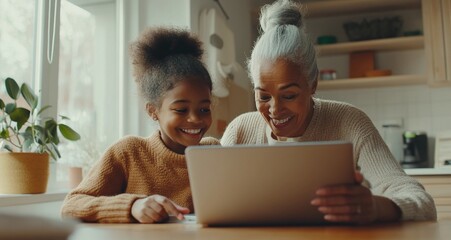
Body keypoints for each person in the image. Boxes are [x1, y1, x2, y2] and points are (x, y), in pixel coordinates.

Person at [220, 0, 436, 224]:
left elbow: (422, 202)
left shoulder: (350, 122)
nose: (275, 110)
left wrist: (375, 206)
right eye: (263, 96)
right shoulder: (240, 131)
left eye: (289, 95)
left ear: (313, 83)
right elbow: (212, 202)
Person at [61, 27, 219, 223]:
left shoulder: (213, 151)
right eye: (181, 110)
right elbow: (71, 206)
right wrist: (132, 206)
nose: (195, 119)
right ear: (153, 111)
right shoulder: (128, 152)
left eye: (204, 109)